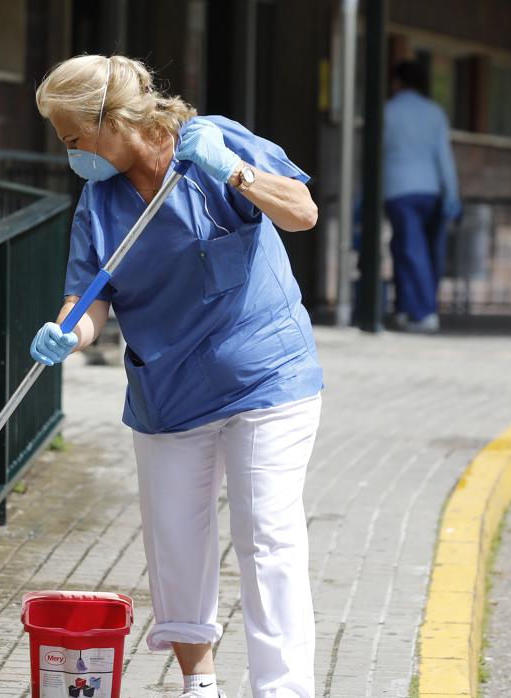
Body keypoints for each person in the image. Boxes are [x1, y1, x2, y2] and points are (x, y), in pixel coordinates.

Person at [30, 54, 323, 698]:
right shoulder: (99, 203)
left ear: (111, 122)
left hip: (264, 377)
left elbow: (301, 213)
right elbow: (89, 299)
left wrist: (236, 172)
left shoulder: (212, 144)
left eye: (73, 138)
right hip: (169, 393)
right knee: (175, 539)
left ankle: (282, 689)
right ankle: (200, 684)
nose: (69, 153)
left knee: (267, 534)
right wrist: (69, 335)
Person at [382, 60, 461, 333]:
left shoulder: (387, 112)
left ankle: (422, 312)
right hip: (432, 190)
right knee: (425, 252)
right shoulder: (435, 113)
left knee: (407, 250)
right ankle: (409, 308)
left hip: (398, 190)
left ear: (397, 83)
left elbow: (373, 157)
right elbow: (444, 157)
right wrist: (452, 193)